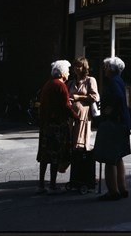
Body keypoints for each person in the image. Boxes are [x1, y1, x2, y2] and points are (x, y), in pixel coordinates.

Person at [36, 60, 79, 194]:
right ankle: (52, 184)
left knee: (45, 156)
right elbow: (65, 106)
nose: (68, 73)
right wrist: (76, 117)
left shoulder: (48, 84)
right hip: (57, 125)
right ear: (61, 73)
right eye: (67, 70)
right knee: (55, 155)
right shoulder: (61, 86)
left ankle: (41, 184)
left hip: (46, 124)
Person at [96, 56, 131, 201]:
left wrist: (108, 111)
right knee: (118, 157)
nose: (104, 69)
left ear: (111, 69)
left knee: (109, 159)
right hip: (122, 123)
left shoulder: (112, 82)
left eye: (105, 67)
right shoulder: (119, 81)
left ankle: (113, 191)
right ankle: (122, 188)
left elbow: (117, 97)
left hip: (113, 124)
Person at [67, 57, 100, 150]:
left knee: (80, 143)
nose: (77, 68)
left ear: (84, 67)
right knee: (71, 142)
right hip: (71, 118)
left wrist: (79, 97)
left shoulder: (90, 80)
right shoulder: (71, 83)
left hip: (83, 117)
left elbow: (95, 97)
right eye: (75, 66)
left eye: (79, 66)